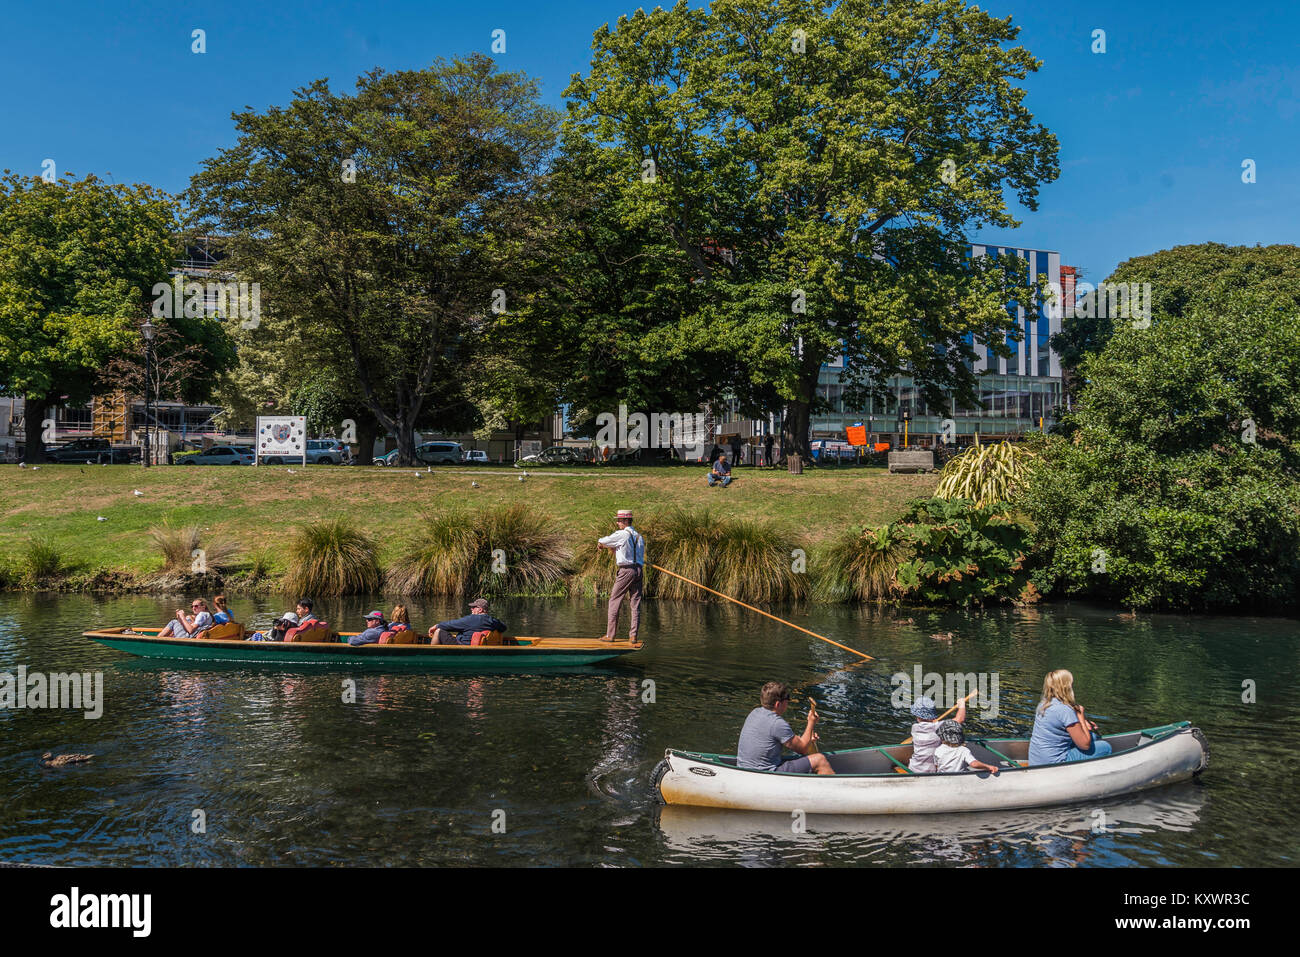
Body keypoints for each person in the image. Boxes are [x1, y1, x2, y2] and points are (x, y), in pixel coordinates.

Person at [736, 682, 834, 775]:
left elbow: (793, 741)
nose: (788, 703)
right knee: (820, 760)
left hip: (745, 769)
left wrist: (808, 739)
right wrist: (811, 722)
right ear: (778, 704)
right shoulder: (776, 723)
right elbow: (803, 749)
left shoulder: (755, 713)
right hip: (765, 773)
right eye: (787, 700)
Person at [1027, 669, 1114, 765]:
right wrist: (1080, 715)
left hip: (1036, 761)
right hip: (1055, 763)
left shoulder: (1044, 704)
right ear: (1066, 687)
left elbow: (1060, 722)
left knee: (1093, 736)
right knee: (1106, 747)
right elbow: (1085, 745)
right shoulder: (1065, 710)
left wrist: (1083, 723)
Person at [596, 508, 644, 643]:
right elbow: (628, 554)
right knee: (635, 604)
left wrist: (601, 545)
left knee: (614, 600)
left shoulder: (622, 534)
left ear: (625, 521)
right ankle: (633, 636)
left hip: (626, 571)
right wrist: (613, 549)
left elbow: (602, 540)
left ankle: (610, 635)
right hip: (638, 570)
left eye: (619, 520)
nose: (617, 523)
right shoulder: (639, 537)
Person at [907, 695, 967, 773]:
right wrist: (962, 704)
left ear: (917, 717)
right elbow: (960, 719)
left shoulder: (915, 728)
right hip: (930, 770)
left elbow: (930, 727)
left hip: (914, 767)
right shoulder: (938, 727)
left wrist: (934, 723)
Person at [428, 598, 508, 645]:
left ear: (480, 610)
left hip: (462, 647)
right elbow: (503, 627)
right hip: (476, 646)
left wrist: (436, 626)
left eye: (473, 607)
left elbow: (450, 625)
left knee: (438, 631)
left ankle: (432, 655)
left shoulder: (470, 619)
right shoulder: (493, 621)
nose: (471, 609)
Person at [934, 720, 1000, 774]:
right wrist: (989, 767)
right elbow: (974, 764)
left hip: (942, 777)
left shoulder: (938, 750)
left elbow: (937, 767)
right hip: (959, 778)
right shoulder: (963, 750)